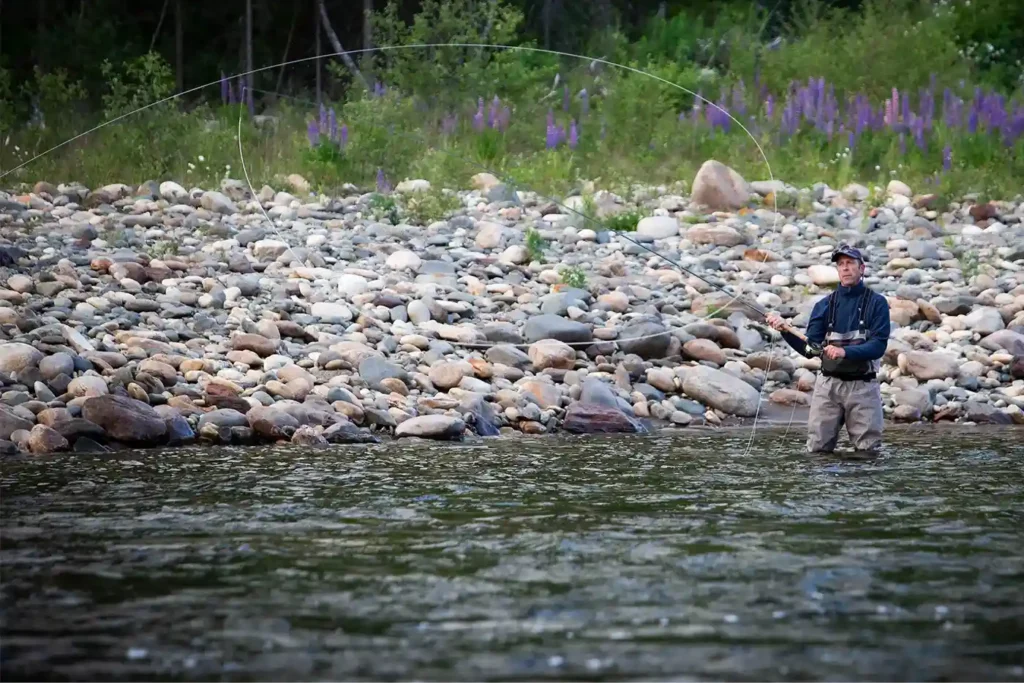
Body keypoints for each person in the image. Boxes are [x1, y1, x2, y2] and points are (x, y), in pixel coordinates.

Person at [765, 244, 891, 453]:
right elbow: (810, 350)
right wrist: (785, 331)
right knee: (817, 450)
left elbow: (878, 346)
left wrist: (845, 352)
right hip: (827, 387)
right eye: (841, 264)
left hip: (863, 387)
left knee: (869, 452)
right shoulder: (824, 305)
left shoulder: (877, 303)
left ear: (862, 268)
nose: (845, 268)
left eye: (850, 263)